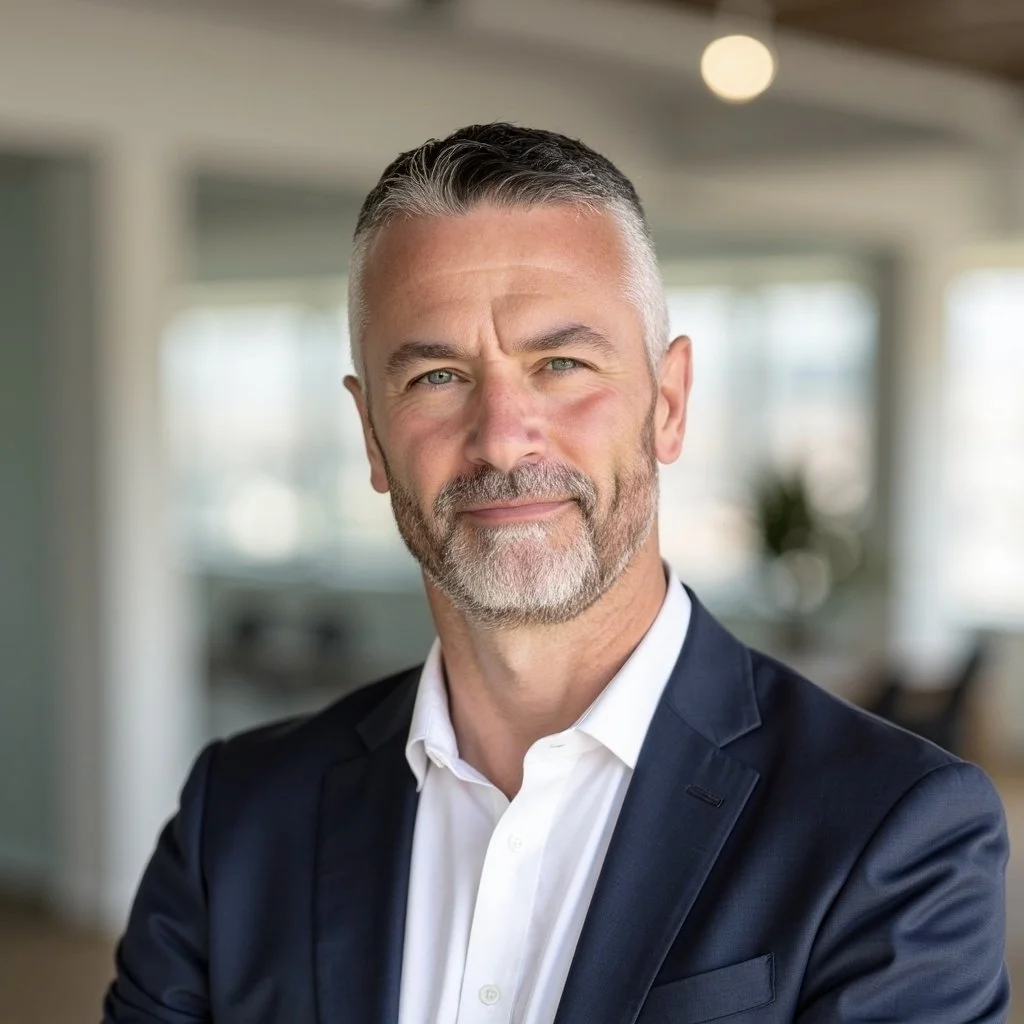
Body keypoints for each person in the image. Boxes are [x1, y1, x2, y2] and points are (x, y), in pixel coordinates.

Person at [103, 123, 1009, 1024]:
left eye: (562, 364)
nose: (502, 438)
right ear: (371, 434)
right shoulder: (239, 817)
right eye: (436, 377)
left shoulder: (892, 828)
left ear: (669, 402)